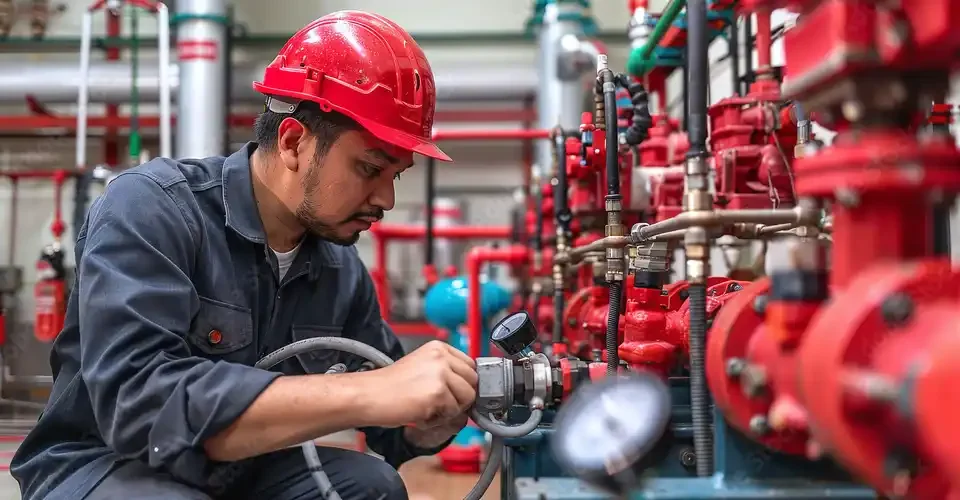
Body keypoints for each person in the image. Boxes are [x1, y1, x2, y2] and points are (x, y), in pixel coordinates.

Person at [11, 10, 478, 500]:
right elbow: (141, 407)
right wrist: (366, 394)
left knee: (372, 486)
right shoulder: (152, 209)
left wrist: (437, 412)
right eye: (369, 168)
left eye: (395, 177)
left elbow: (394, 429)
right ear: (294, 141)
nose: (387, 200)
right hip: (105, 463)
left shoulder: (340, 271)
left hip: (240, 471)